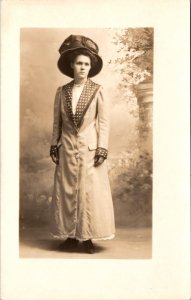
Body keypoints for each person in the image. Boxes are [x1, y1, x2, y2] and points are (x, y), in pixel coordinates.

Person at [50, 34, 115, 254]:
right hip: (66, 148)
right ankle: (70, 236)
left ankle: (87, 237)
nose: (83, 67)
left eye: (87, 64)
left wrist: (102, 148)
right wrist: (54, 144)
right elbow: (56, 122)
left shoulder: (98, 91)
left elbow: (104, 122)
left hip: (90, 149)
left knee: (89, 192)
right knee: (67, 192)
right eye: (79, 63)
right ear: (71, 65)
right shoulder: (62, 91)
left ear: (91, 67)